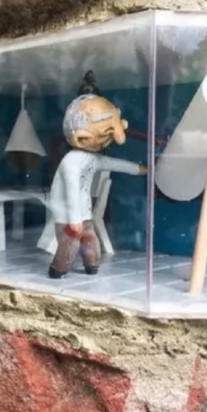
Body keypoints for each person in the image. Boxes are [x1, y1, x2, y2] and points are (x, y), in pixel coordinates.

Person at [48, 81, 147, 279]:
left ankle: (92, 265)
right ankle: (58, 269)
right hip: (67, 213)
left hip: (83, 210)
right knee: (70, 241)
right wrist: (74, 220)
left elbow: (112, 163)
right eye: (106, 135)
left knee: (90, 238)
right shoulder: (71, 162)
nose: (117, 139)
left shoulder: (92, 158)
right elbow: (71, 190)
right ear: (81, 139)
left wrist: (137, 169)